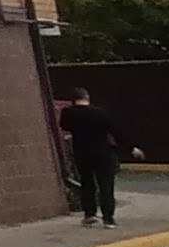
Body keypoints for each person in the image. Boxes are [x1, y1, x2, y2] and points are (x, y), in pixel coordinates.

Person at [59, 89, 138, 226]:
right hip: (103, 153)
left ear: (73, 100)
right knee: (106, 186)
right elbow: (115, 132)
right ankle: (108, 218)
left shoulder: (68, 113)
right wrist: (131, 148)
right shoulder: (100, 113)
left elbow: (64, 125)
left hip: (82, 153)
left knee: (87, 184)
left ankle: (90, 214)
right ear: (88, 98)